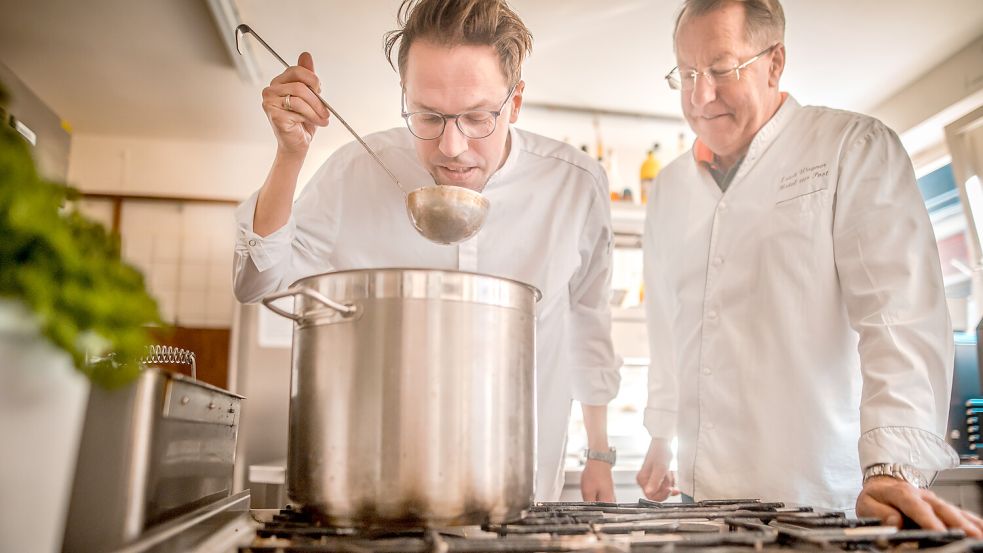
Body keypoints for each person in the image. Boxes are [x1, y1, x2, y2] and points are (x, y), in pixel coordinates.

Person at [232, 0, 621, 502]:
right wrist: (290, 156)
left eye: (478, 118)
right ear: (405, 97)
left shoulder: (575, 185)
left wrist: (599, 453)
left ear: (515, 103)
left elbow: (588, 323)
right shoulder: (357, 171)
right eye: (429, 117)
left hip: (522, 489)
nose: (452, 147)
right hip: (376, 493)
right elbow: (255, 283)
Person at [638, 0, 983, 535]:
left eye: (721, 70)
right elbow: (668, 326)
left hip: (820, 499)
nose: (699, 95)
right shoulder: (669, 189)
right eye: (686, 73)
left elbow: (899, 319)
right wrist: (660, 434)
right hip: (698, 501)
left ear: (774, 62)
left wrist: (893, 466)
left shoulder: (852, 148)